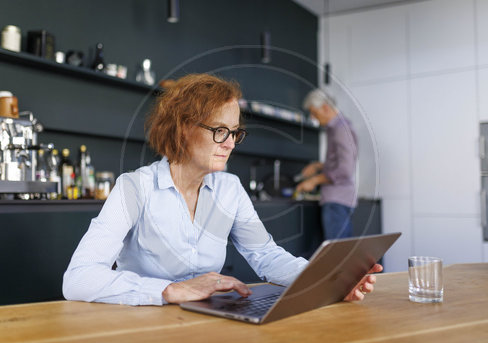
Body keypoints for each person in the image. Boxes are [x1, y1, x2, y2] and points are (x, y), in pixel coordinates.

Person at [63, 74, 379, 306]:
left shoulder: (229, 189)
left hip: (209, 325)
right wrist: (169, 290)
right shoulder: (134, 188)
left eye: (234, 133)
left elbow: (266, 256)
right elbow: (78, 279)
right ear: (183, 128)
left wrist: (332, 279)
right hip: (146, 326)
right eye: (219, 131)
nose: (229, 143)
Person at [296, 89, 358, 240]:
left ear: (325, 107)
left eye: (314, 112)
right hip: (340, 199)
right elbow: (340, 162)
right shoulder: (337, 128)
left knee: (337, 255)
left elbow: (344, 170)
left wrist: (314, 180)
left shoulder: (340, 129)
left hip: (337, 200)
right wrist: (318, 166)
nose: (313, 117)